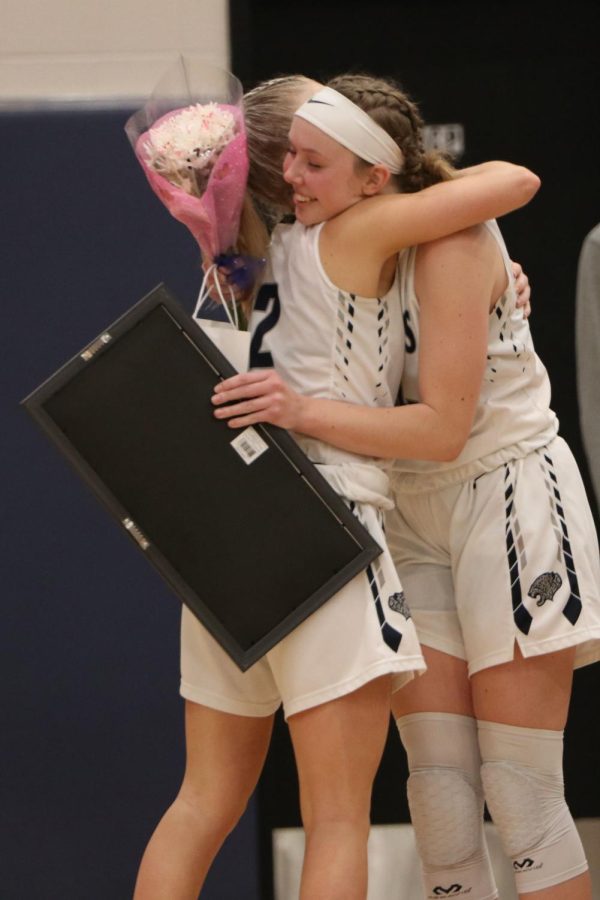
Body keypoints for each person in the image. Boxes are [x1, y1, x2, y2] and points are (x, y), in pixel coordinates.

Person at [133, 76, 539, 900]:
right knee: (338, 821)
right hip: (321, 525)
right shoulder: (360, 230)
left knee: (201, 801)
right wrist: (430, 195)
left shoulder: (231, 259)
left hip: (222, 540)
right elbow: (517, 182)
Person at [213, 73, 600, 900]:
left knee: (522, 797)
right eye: (288, 163)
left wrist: (301, 410)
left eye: (315, 162)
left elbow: (443, 429)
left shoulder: (450, 236)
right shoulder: (327, 244)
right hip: (409, 506)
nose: (293, 181)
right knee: (440, 801)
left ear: (376, 173)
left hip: (503, 489)